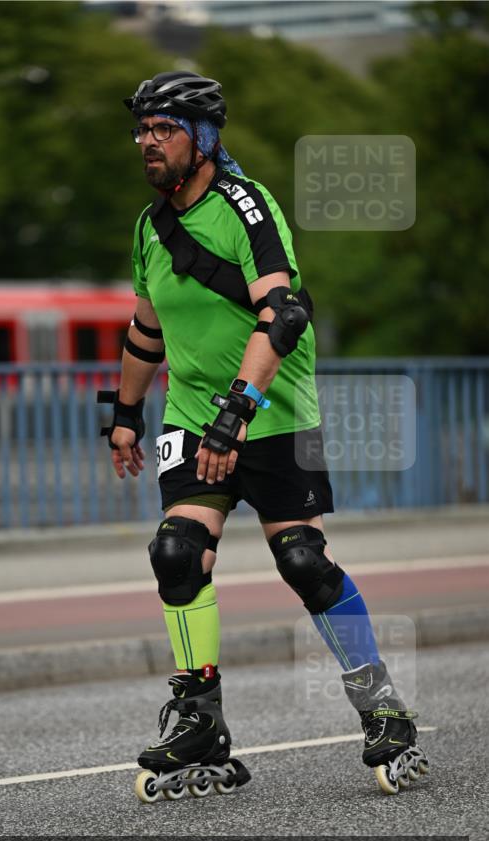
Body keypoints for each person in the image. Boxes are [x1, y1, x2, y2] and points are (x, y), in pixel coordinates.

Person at [99, 71, 428, 800]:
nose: (147, 142)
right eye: (142, 130)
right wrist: (123, 413)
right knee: (176, 551)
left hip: (274, 412)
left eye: (163, 129)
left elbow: (282, 315)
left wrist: (237, 411)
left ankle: (383, 709)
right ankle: (199, 719)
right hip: (192, 416)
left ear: (203, 138)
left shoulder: (245, 206)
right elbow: (147, 329)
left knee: (303, 560)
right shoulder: (149, 226)